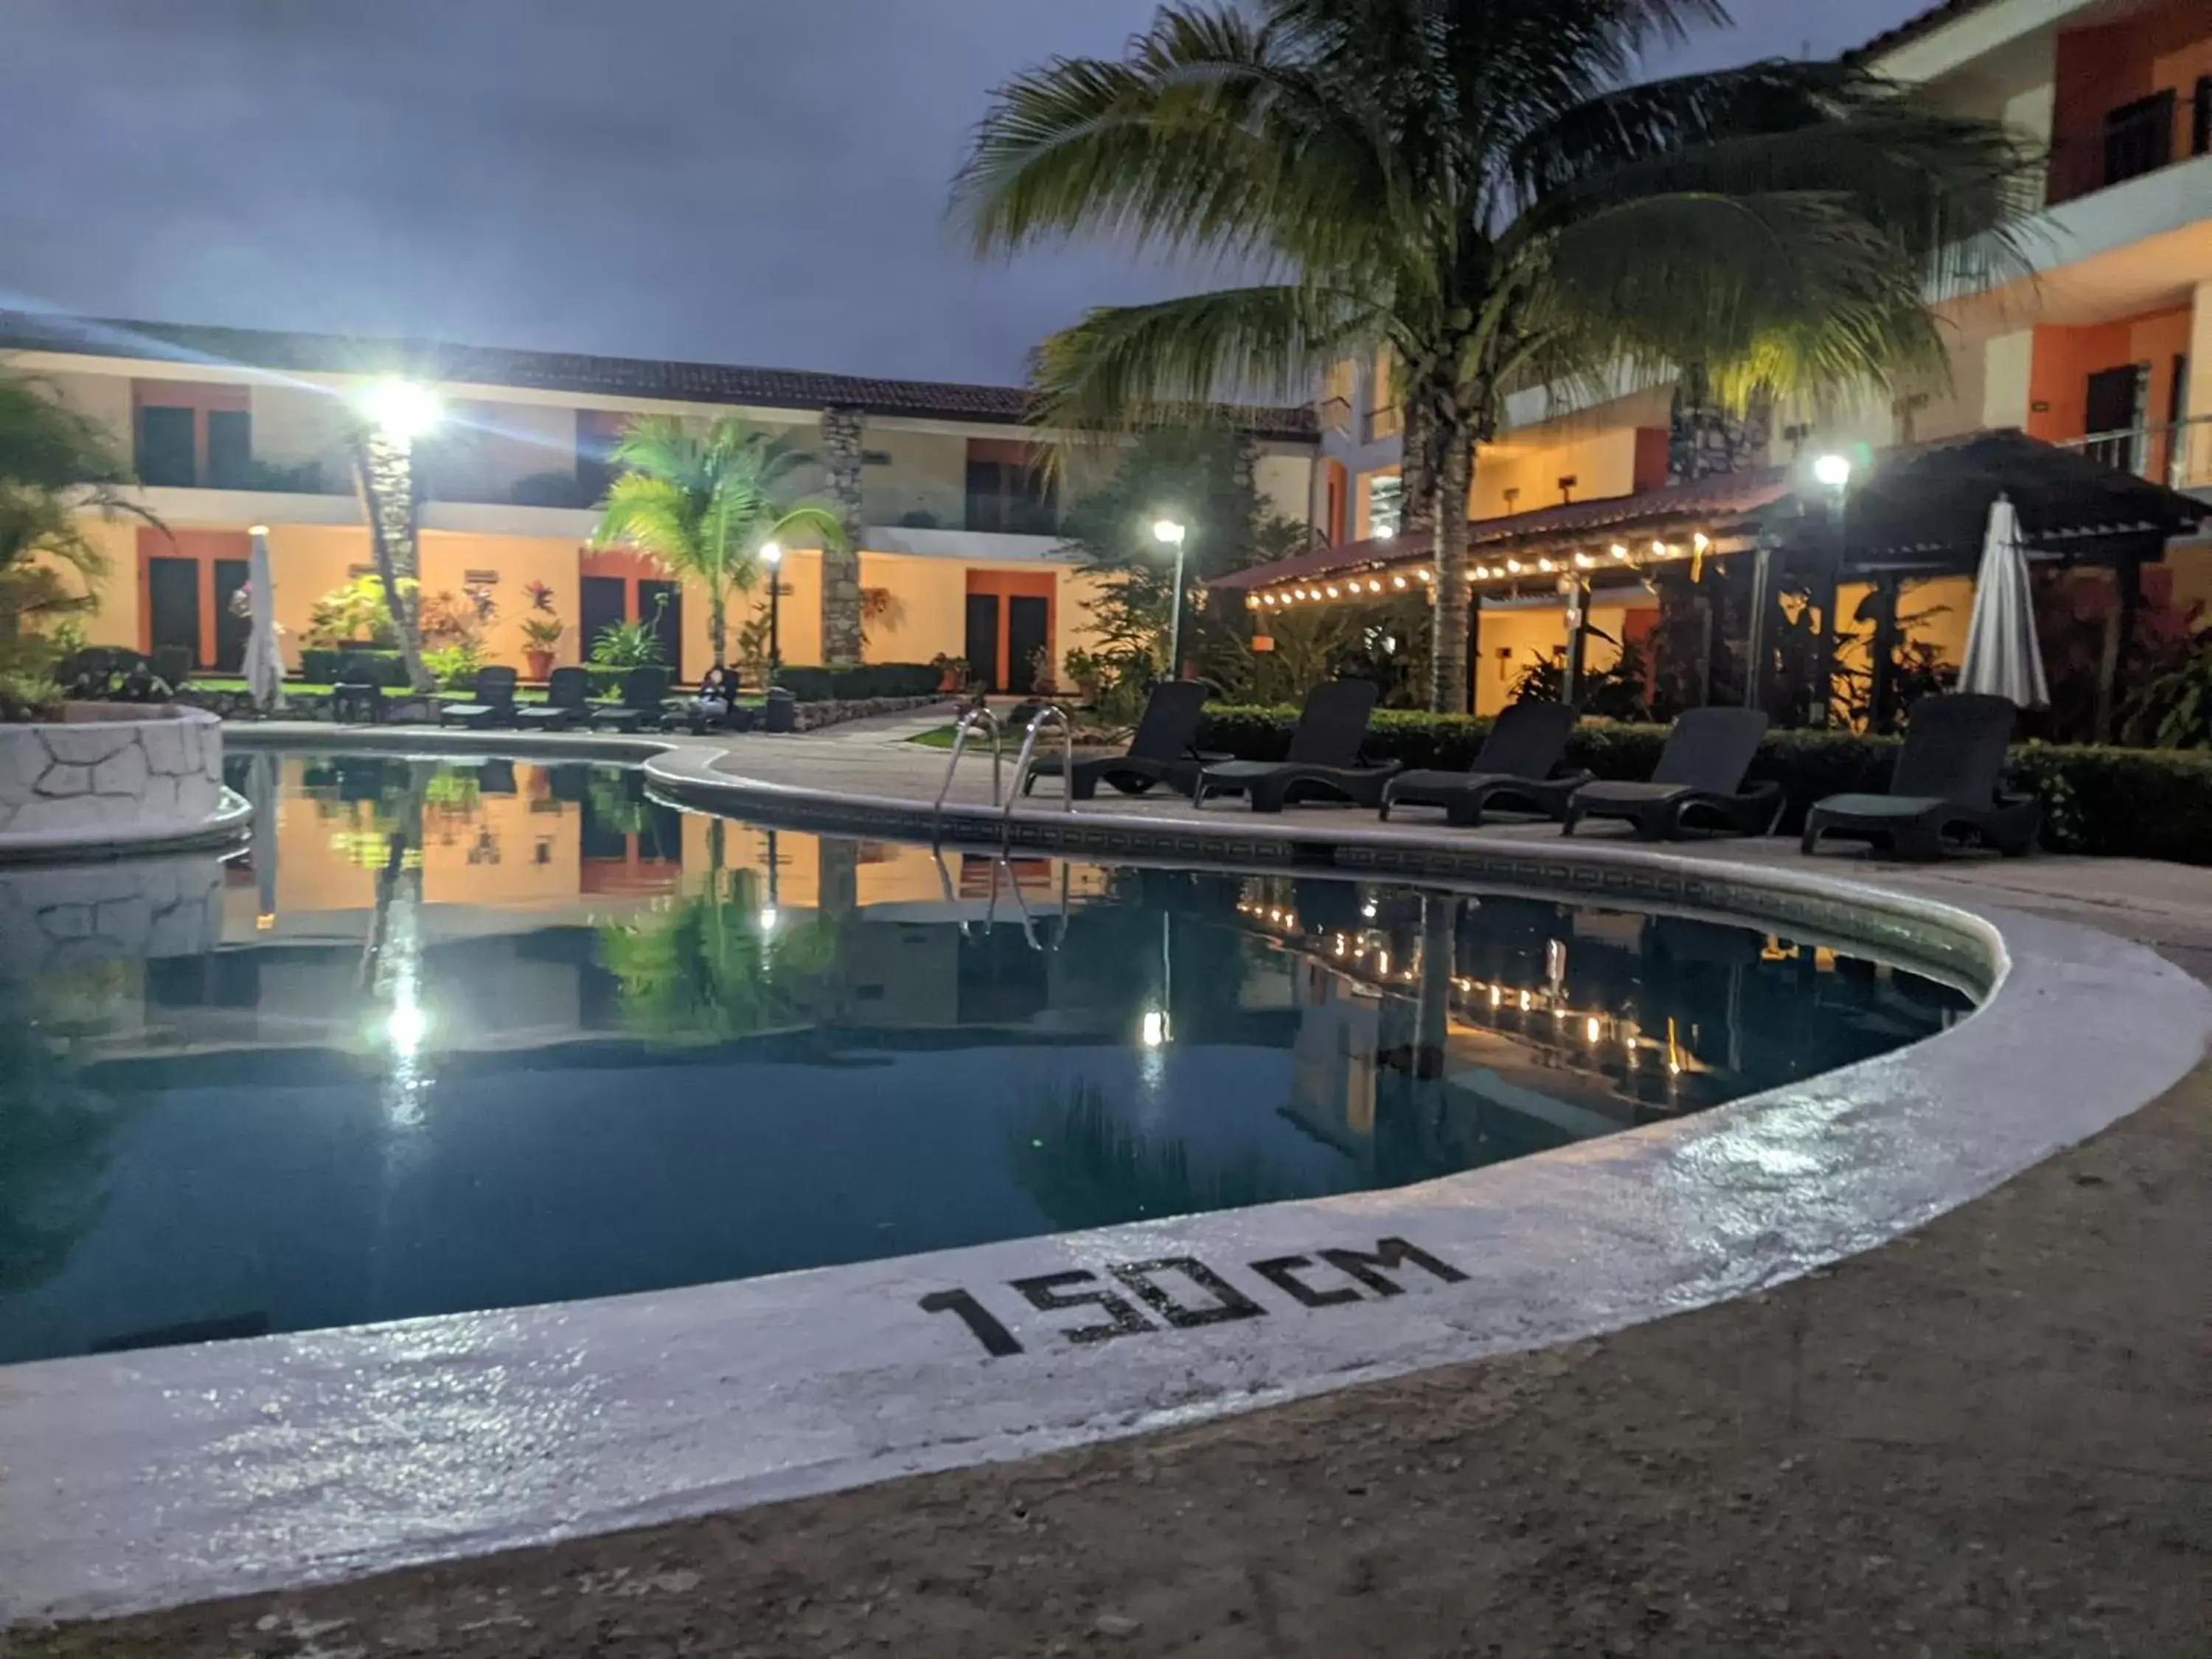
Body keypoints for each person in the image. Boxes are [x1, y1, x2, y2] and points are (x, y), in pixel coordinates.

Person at [686, 663, 739, 732]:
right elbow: (701, 695)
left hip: (719, 702)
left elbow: (728, 697)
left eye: (718, 675)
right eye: (714, 674)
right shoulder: (707, 684)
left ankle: (698, 709)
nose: (715, 677)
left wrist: (718, 689)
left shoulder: (726, 686)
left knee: (702, 708)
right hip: (704, 701)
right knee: (696, 701)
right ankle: (697, 714)